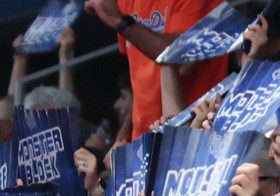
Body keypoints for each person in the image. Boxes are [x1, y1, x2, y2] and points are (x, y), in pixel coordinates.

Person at [87, 0, 230, 137]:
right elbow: (136, 77)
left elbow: (181, 62)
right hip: (145, 137)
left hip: (196, 130)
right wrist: (123, 136)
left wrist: (120, 21)